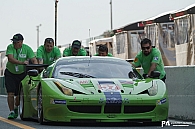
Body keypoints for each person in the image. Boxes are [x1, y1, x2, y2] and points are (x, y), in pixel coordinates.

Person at [5, 33, 38, 119]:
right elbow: (10, 59)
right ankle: (12, 111)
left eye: (17, 42)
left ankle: (16, 107)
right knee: (10, 93)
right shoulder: (10, 47)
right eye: (14, 42)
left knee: (20, 94)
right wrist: (22, 63)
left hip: (22, 74)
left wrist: (36, 69)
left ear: (21, 42)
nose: (14, 44)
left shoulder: (27, 49)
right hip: (10, 73)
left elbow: (34, 59)